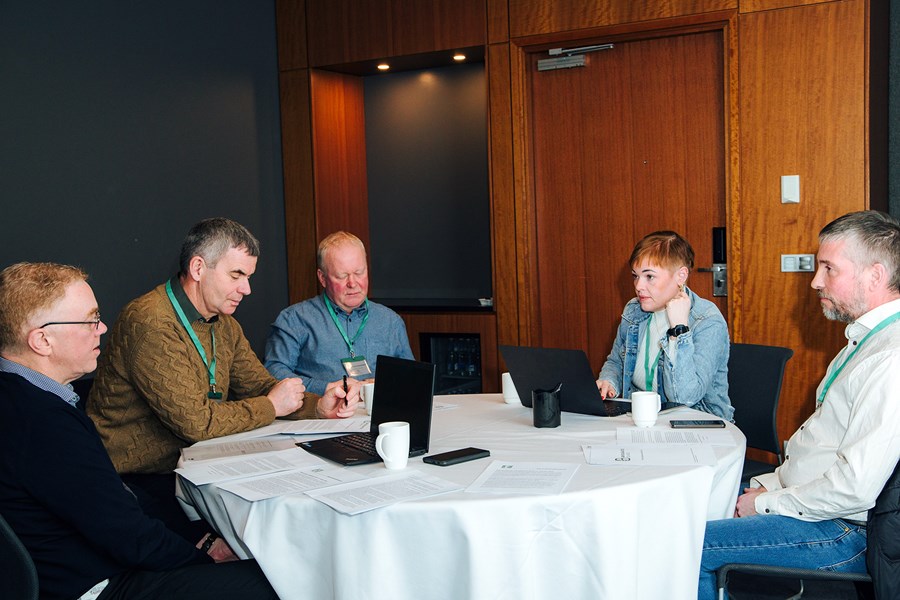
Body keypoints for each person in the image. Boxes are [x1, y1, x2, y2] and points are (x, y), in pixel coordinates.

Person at [0, 262, 278, 600]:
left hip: (93, 565)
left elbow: (120, 502)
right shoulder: (43, 422)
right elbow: (127, 535)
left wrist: (201, 541)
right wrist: (204, 559)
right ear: (42, 340)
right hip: (99, 585)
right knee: (278, 582)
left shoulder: (23, 397)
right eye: (90, 320)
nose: (102, 328)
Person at [87, 218, 358, 534]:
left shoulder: (224, 323)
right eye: (236, 275)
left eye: (248, 277)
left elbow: (261, 386)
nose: (247, 289)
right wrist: (271, 406)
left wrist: (317, 406)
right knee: (246, 539)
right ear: (198, 268)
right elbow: (197, 423)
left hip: (194, 466)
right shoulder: (151, 323)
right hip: (131, 484)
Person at [698, 210, 900, 599]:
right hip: (817, 503)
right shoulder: (866, 339)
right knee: (692, 503)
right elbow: (824, 449)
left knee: (691, 545)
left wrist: (766, 504)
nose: (815, 281)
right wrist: (768, 485)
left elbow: (855, 490)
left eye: (829, 268)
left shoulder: (890, 357)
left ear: (875, 276)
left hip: (846, 529)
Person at [596, 230, 733, 419]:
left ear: (681, 276)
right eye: (635, 276)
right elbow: (616, 361)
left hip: (698, 422)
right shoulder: (634, 309)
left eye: (649, 276)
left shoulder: (707, 321)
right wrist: (608, 380)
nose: (638, 286)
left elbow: (684, 398)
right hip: (642, 418)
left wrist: (680, 329)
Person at [265, 231, 413, 395]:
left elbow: (411, 377)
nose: (352, 283)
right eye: (342, 276)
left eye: (359, 273)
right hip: (322, 409)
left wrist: (383, 384)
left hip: (377, 409)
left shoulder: (390, 321)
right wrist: (326, 388)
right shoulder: (294, 319)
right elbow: (274, 371)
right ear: (322, 278)